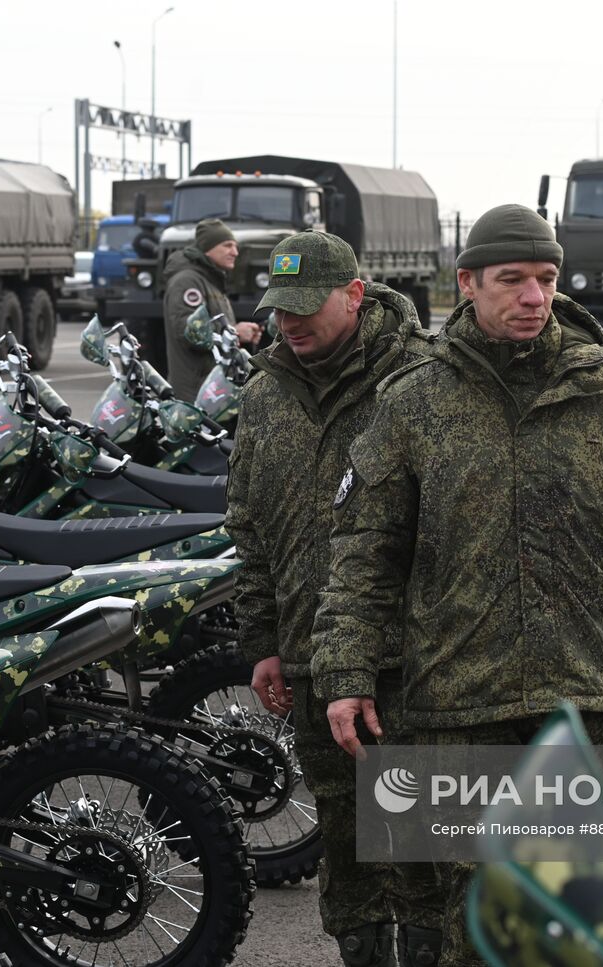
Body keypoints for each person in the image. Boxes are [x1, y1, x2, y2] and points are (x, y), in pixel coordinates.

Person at [309, 203, 603, 966]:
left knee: (582, 909)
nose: (533, 296)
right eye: (513, 280)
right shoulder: (414, 399)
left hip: (581, 698)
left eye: (546, 278)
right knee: (479, 921)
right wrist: (347, 670)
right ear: (467, 283)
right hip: (459, 704)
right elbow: (364, 549)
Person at [227, 231, 442, 967]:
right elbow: (249, 528)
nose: (289, 323)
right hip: (312, 656)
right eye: (278, 310)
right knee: (346, 838)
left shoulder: (418, 379)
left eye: (305, 308)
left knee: (416, 835)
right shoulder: (264, 392)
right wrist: (262, 641)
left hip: (409, 657)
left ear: (354, 294)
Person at [162, 217, 261, 400]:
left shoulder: (211, 281)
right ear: (208, 248)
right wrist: (235, 332)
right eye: (227, 245)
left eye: (235, 246)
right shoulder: (187, 281)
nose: (235, 252)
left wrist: (239, 334)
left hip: (215, 391)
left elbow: (214, 328)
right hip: (196, 394)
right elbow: (186, 330)